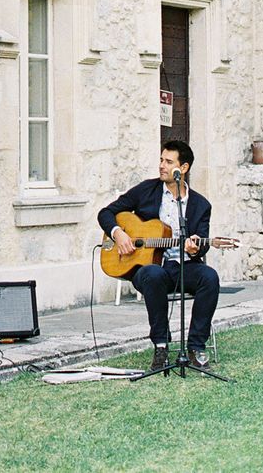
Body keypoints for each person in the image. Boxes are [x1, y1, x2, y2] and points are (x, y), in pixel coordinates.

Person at [97, 140, 219, 371]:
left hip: (183, 266)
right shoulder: (146, 190)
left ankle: (195, 346)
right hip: (150, 269)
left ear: (183, 168)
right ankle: (161, 346)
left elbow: (202, 242)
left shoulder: (201, 205)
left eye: (168, 162)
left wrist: (196, 248)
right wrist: (119, 234)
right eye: (161, 160)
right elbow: (106, 212)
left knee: (209, 277)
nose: (162, 165)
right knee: (153, 274)